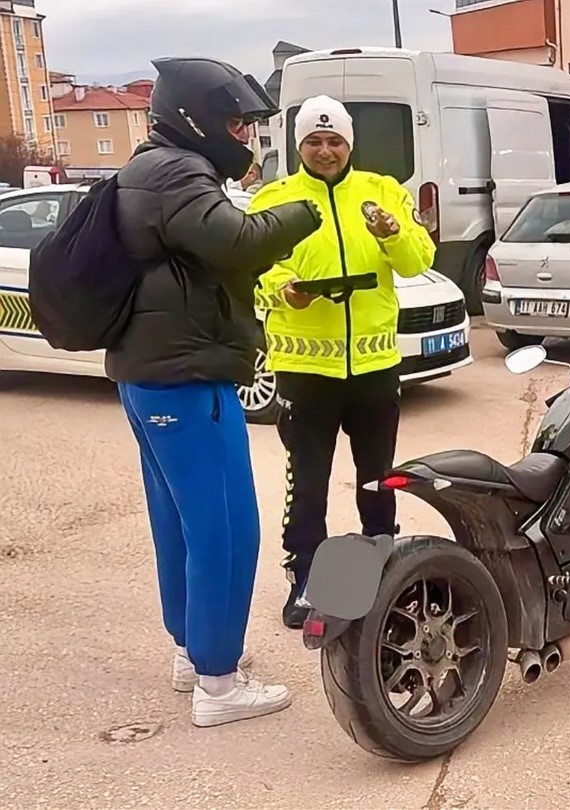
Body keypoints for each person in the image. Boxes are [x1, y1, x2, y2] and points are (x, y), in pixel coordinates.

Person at [106, 56, 322, 726]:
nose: (246, 136)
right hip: (185, 378)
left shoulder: (148, 166)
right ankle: (219, 684)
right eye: (235, 123)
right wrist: (305, 210)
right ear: (195, 118)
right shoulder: (179, 173)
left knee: (179, 523)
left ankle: (192, 653)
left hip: (152, 374)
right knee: (225, 530)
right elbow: (238, 242)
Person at [246, 95, 437, 629]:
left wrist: (393, 234)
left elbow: (419, 260)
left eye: (334, 141)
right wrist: (286, 290)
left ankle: (381, 572)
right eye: (314, 141)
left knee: (378, 478)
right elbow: (250, 272)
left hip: (374, 365)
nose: (325, 151)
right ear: (298, 146)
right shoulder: (274, 199)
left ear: (349, 144)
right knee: (309, 481)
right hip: (306, 370)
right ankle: (306, 578)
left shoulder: (383, 191)